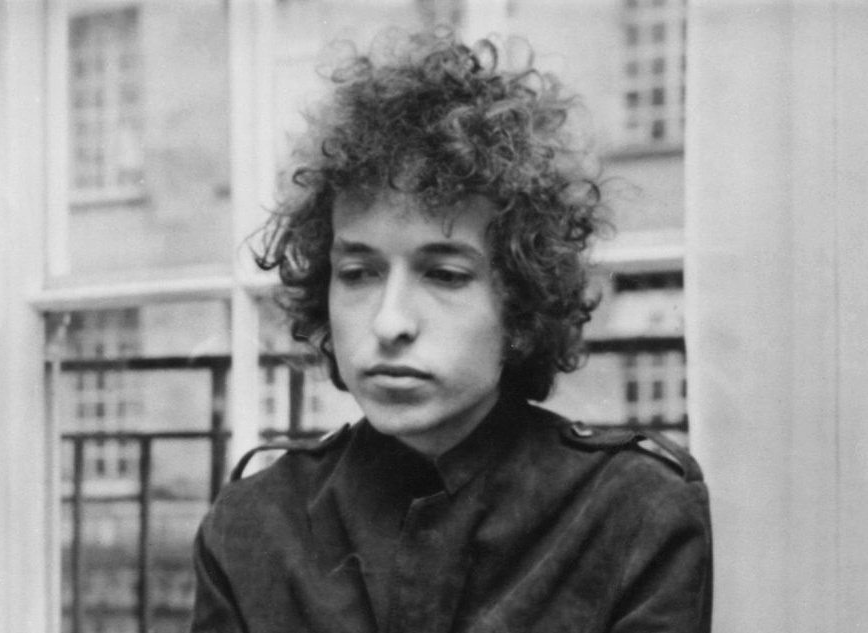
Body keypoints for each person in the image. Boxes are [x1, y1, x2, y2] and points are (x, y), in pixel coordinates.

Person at [190, 30, 712, 633]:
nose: (390, 322)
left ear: (520, 301)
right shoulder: (253, 527)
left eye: (444, 274)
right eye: (358, 273)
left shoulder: (632, 514)